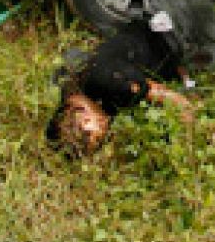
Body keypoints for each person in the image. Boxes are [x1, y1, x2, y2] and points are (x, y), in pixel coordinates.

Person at [46, 11, 195, 156]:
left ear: (85, 120)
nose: (105, 134)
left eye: (98, 138)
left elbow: (169, 96)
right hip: (149, 28)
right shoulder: (71, 89)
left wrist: (192, 123)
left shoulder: (112, 84)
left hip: (175, 29)